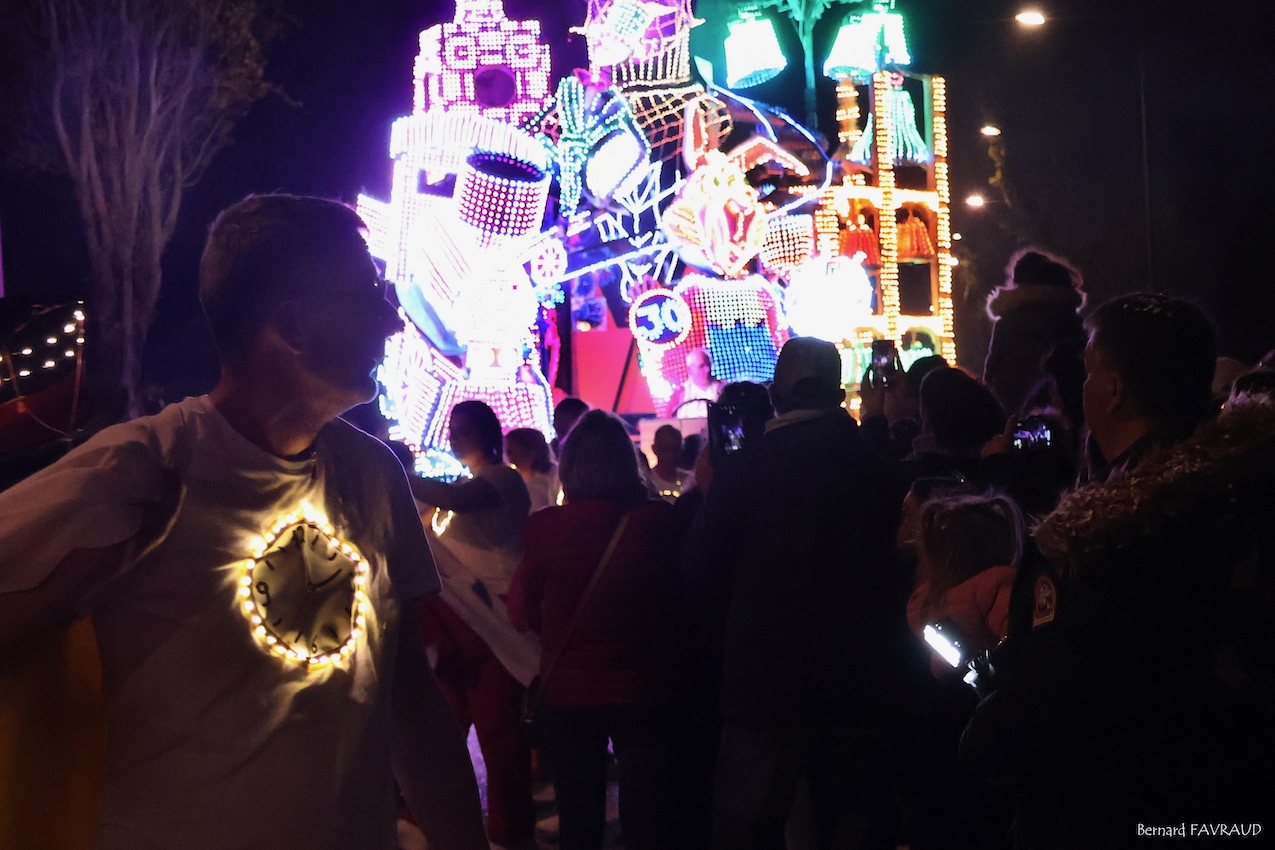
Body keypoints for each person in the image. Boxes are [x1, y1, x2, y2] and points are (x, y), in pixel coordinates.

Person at [0, 195, 487, 849]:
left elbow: (408, 694)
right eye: (368, 292)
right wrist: (64, 585)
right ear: (294, 324)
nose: (392, 319)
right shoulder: (139, 468)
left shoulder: (374, 475)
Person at [961, 294, 1273, 845]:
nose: (1081, 388)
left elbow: (1047, 700)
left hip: (1108, 811)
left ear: (1113, 389)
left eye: (1088, 372)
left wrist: (986, 724)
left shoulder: (1098, 538)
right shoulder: (1241, 492)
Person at [690, 337, 907, 849]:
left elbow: (700, 572)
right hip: (855, 679)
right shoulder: (876, 470)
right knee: (849, 825)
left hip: (760, 682)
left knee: (748, 829)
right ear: (837, 393)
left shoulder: (744, 472)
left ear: (775, 394)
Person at [507, 410, 679, 850]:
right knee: (649, 812)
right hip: (644, 685)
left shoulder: (544, 527)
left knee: (578, 814)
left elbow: (520, 614)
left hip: (569, 691)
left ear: (570, 466)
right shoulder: (659, 523)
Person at [410, 401, 538, 850]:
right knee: (446, 727)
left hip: (497, 620)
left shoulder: (500, 479)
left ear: (488, 432)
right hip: (458, 624)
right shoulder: (468, 484)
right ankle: (431, 820)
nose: (455, 436)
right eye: (452, 428)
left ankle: (510, 831)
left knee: (499, 731)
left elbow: (455, 503)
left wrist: (395, 473)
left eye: (464, 429)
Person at [983, 249, 1086, 416]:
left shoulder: (1009, 322)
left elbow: (992, 371)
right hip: (1065, 409)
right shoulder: (1070, 320)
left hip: (1013, 412)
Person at [505, 427, 560, 511]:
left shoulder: (537, 486)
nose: (508, 457)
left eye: (510, 451)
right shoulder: (556, 472)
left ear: (530, 451)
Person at [668, 348, 725, 418]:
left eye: (708, 365)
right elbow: (667, 424)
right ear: (689, 370)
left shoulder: (723, 389)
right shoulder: (679, 395)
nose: (707, 370)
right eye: (701, 366)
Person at [646, 424, 694, 503]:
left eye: (675, 449)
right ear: (654, 449)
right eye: (666, 449)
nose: (670, 455)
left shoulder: (691, 482)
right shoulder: (648, 483)